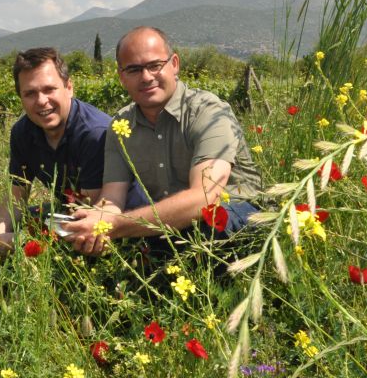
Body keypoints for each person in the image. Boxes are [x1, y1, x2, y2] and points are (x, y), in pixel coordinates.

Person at [62, 26, 262, 256]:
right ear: (121, 77)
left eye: (154, 65)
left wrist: (116, 226)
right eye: (134, 69)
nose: (146, 77)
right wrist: (98, 222)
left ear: (174, 64)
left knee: (209, 224)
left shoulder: (209, 113)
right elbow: (113, 198)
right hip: (174, 223)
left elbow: (204, 199)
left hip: (237, 216)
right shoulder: (120, 126)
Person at [0, 47, 145, 257]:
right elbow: (15, 199)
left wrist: (21, 240)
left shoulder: (94, 134)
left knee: (43, 241)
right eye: (30, 93)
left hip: (121, 224)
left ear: (69, 87)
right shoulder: (23, 132)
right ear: (20, 97)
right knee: (1, 229)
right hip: (72, 215)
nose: (41, 101)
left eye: (49, 89)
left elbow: (92, 216)